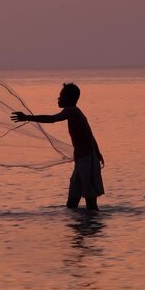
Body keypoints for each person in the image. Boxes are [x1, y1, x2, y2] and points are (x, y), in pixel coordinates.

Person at [10, 83, 104, 211]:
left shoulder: (72, 111)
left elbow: (52, 119)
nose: (58, 98)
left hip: (87, 160)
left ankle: (93, 229)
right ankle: (79, 229)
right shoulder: (75, 112)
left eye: (61, 96)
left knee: (91, 204)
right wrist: (98, 153)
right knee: (71, 204)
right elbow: (90, 135)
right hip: (82, 161)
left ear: (68, 98)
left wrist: (27, 117)